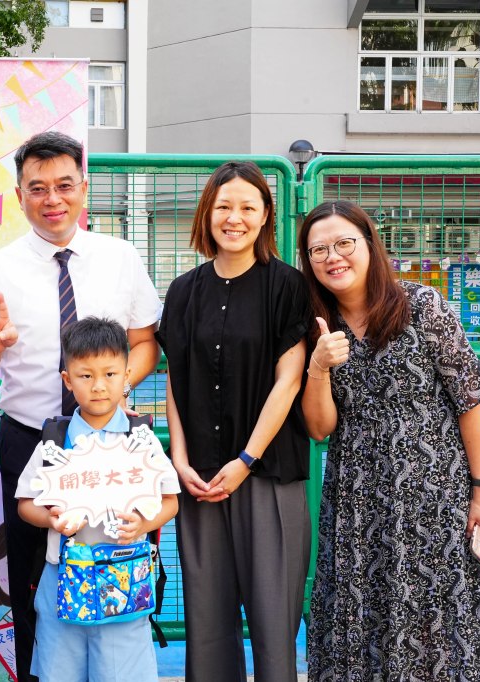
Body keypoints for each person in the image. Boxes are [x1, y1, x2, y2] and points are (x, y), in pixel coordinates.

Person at [0, 130, 161, 681]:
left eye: (65, 185)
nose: (53, 199)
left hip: (112, 442)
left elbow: (146, 341)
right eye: (38, 188)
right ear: (19, 195)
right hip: (30, 441)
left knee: (118, 564)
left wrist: (109, 393)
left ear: (83, 188)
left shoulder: (120, 257)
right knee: (30, 581)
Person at [299, 200, 480, 680]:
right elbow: (320, 428)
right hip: (357, 502)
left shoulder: (422, 306)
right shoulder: (315, 324)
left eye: (344, 243)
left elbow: (470, 401)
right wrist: (319, 366)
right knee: (361, 615)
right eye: (318, 250)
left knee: (439, 619)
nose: (333, 257)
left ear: (370, 245)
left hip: (435, 499)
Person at [157, 160, 312, 682]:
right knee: (206, 622)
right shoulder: (183, 291)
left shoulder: (287, 286)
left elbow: (289, 381)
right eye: (224, 206)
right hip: (200, 479)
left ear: (266, 215)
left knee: (273, 622)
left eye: (248, 207)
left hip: (267, 475)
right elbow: (176, 380)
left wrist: (246, 459)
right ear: (208, 213)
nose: (234, 218)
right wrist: (179, 459)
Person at [15, 316, 180, 682]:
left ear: (127, 376)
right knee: (61, 674)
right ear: (67, 380)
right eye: (86, 375)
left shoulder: (140, 439)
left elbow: (171, 500)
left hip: (125, 580)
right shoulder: (54, 442)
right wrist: (51, 519)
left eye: (110, 374)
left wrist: (144, 522)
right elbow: (25, 504)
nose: (99, 386)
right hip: (62, 579)